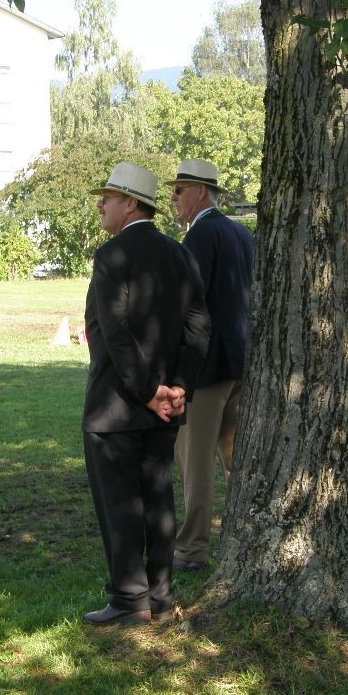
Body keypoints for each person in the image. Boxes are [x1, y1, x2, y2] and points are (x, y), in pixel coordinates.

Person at [82, 162, 211, 626]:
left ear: (131, 203)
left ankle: (129, 600)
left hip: (117, 406)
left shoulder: (112, 255)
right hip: (165, 406)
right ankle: (159, 595)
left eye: (108, 197)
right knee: (158, 498)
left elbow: (114, 332)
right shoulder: (181, 254)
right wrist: (178, 386)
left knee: (119, 503)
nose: (101, 204)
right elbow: (199, 328)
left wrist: (149, 390)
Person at [166, 159, 255, 570]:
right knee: (237, 462)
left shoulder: (201, 233)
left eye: (179, 190)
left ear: (201, 191)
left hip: (205, 369)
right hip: (240, 362)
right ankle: (247, 539)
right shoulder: (242, 233)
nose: (173, 199)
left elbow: (186, 303)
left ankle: (192, 550)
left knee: (195, 464)